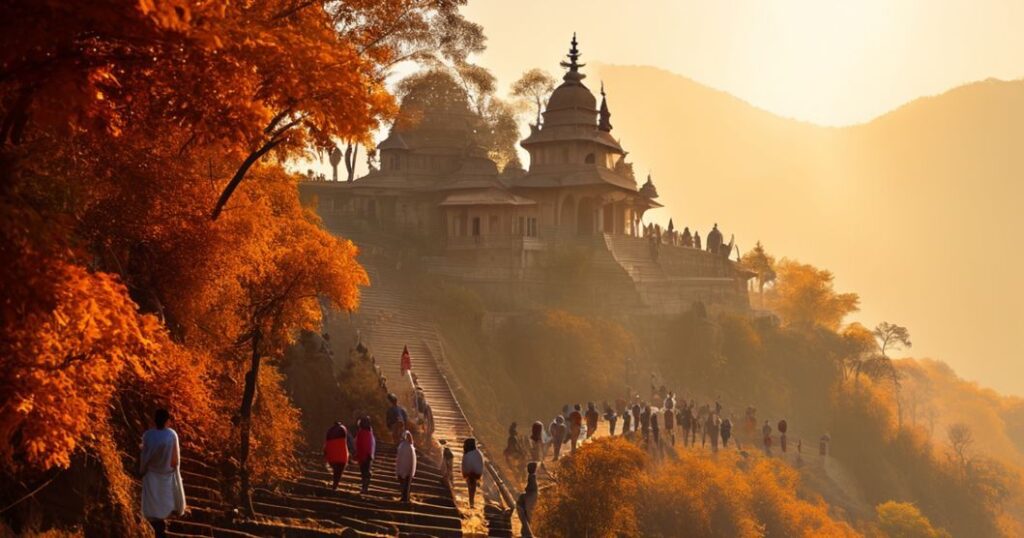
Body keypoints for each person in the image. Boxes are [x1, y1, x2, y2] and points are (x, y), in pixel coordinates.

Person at [140, 409, 186, 538]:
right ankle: (160, 530)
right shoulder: (171, 435)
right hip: (166, 476)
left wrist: (142, 470)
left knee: (153, 509)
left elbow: (144, 456)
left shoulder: (148, 435)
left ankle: (155, 530)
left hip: (151, 476)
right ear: (167, 421)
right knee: (164, 507)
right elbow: (175, 461)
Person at [323, 421, 349, 490]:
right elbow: (349, 443)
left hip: (332, 456)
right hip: (342, 456)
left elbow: (327, 444)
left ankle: (335, 484)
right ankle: (335, 484)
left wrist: (325, 453)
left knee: (335, 470)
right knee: (339, 472)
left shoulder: (329, 432)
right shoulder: (343, 430)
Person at [355, 417, 376, 494]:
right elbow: (372, 444)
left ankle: (364, 487)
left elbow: (358, 444)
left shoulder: (360, 433)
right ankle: (365, 487)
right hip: (368, 455)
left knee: (364, 472)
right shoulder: (370, 433)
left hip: (363, 455)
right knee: (365, 471)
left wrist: (357, 454)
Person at [462, 438, 484, 508]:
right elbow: (480, 463)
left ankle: (471, 501)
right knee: (472, 487)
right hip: (474, 473)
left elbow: (465, 463)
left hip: (470, 473)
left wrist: (466, 471)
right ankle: (471, 501)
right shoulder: (477, 453)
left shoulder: (467, 453)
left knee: (470, 487)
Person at [396, 430, 417, 502]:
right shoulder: (411, 447)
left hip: (402, 468)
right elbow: (413, 460)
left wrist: (397, 469)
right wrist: (412, 470)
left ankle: (404, 497)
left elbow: (398, 458)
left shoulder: (401, 446)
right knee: (407, 484)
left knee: (403, 483)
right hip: (409, 468)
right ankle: (406, 497)